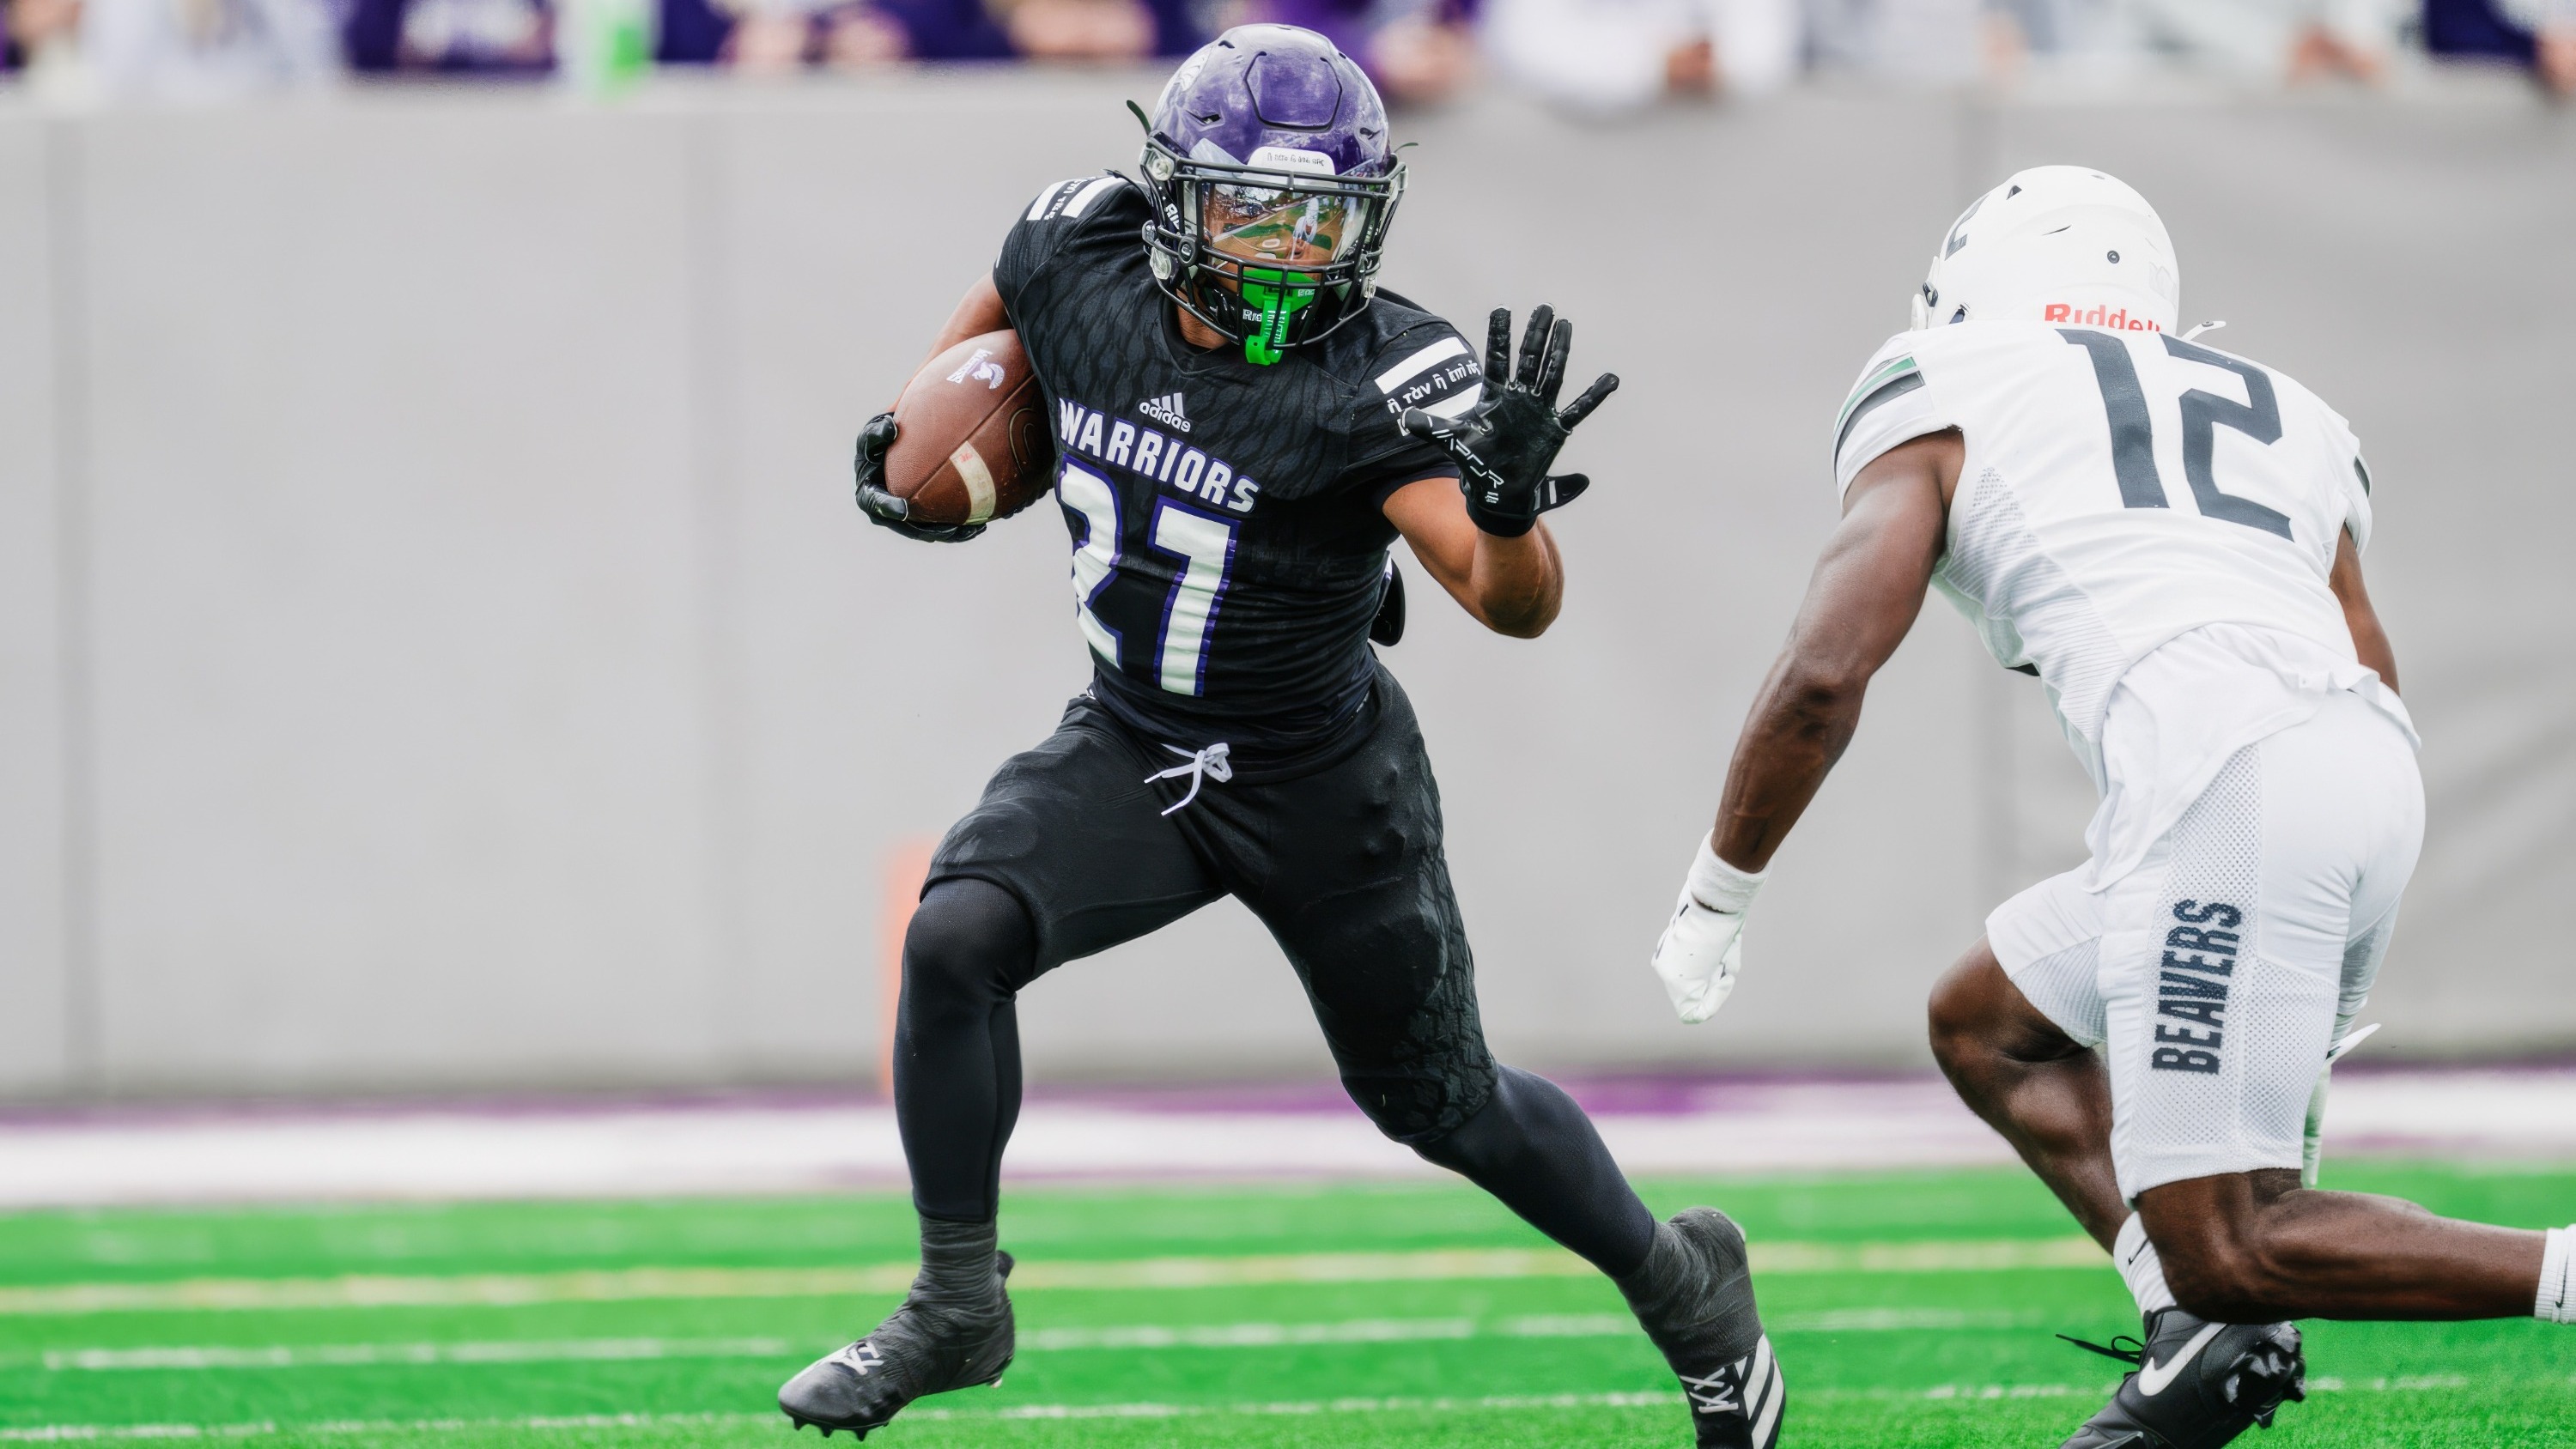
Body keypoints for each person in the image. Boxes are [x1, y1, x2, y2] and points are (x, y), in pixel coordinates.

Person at [776, 24, 1783, 1449]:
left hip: (1321, 776)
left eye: (1321, 222)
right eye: (1253, 209)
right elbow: (962, 384)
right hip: (1137, 739)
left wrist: (1504, 515)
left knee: (1448, 1109)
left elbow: (1516, 610)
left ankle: (1687, 1290)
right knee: (955, 938)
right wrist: (922, 461)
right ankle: (956, 1303)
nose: (1285, 251)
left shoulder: (1384, 375)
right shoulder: (1075, 249)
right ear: (1172, 197)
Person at [1648, 165, 2573, 1449]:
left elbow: (1824, 671)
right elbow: (2367, 661)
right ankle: (2201, 1338)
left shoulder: (1943, 379)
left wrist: (1717, 893)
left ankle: (2511, 1280)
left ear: (1976, 281)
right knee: (1990, 1022)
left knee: (2234, 1243)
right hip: (2363, 770)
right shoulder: (2291, 410)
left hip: (2226, 782)